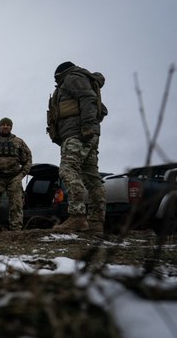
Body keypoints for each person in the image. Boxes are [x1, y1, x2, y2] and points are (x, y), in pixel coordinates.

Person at [49, 61, 108, 233]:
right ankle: (96, 222)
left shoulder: (72, 77)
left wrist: (86, 126)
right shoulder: (81, 79)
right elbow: (101, 110)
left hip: (78, 133)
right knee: (91, 177)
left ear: (59, 74)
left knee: (67, 170)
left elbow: (88, 99)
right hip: (86, 133)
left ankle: (77, 217)